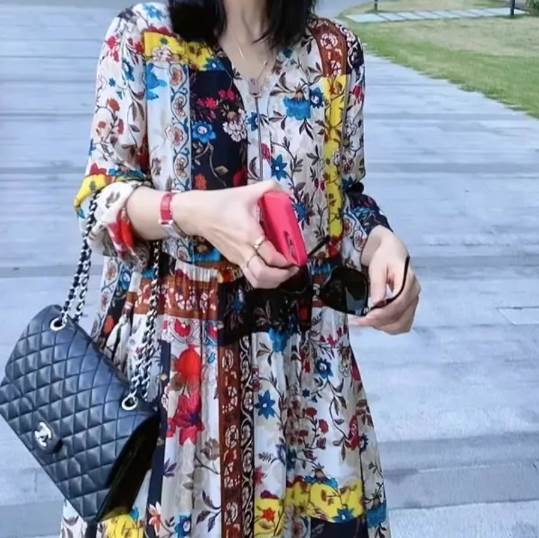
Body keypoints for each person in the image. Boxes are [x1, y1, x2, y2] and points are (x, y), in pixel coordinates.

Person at [62, 1, 420, 537]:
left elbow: (342, 203)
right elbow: (98, 204)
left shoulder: (334, 53)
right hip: (175, 387)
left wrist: (381, 244)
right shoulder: (143, 39)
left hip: (304, 388)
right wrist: (190, 212)